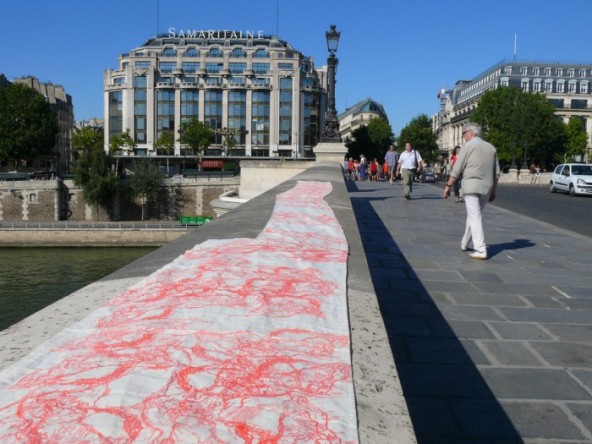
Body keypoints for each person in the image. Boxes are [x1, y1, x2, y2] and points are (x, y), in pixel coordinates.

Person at [443, 122, 500, 260]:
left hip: (471, 186)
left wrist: (448, 185)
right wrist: (493, 191)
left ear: (470, 133)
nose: (463, 136)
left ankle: (480, 249)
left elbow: (457, 168)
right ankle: (464, 242)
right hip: (487, 187)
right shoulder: (491, 148)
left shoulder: (468, 146)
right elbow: (497, 173)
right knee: (474, 215)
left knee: (474, 217)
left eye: (464, 133)